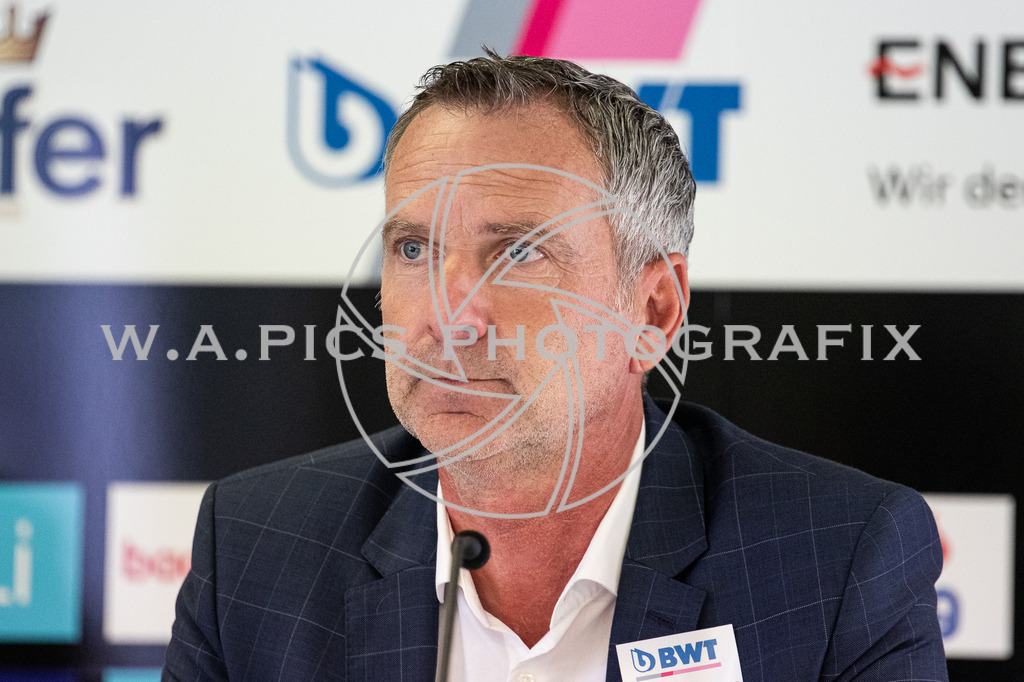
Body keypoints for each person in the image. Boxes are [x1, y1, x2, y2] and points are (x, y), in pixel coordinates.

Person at [164, 53, 947, 681]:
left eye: (521, 252)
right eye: (414, 249)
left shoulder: (839, 559)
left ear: (653, 313)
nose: (449, 316)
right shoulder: (257, 549)